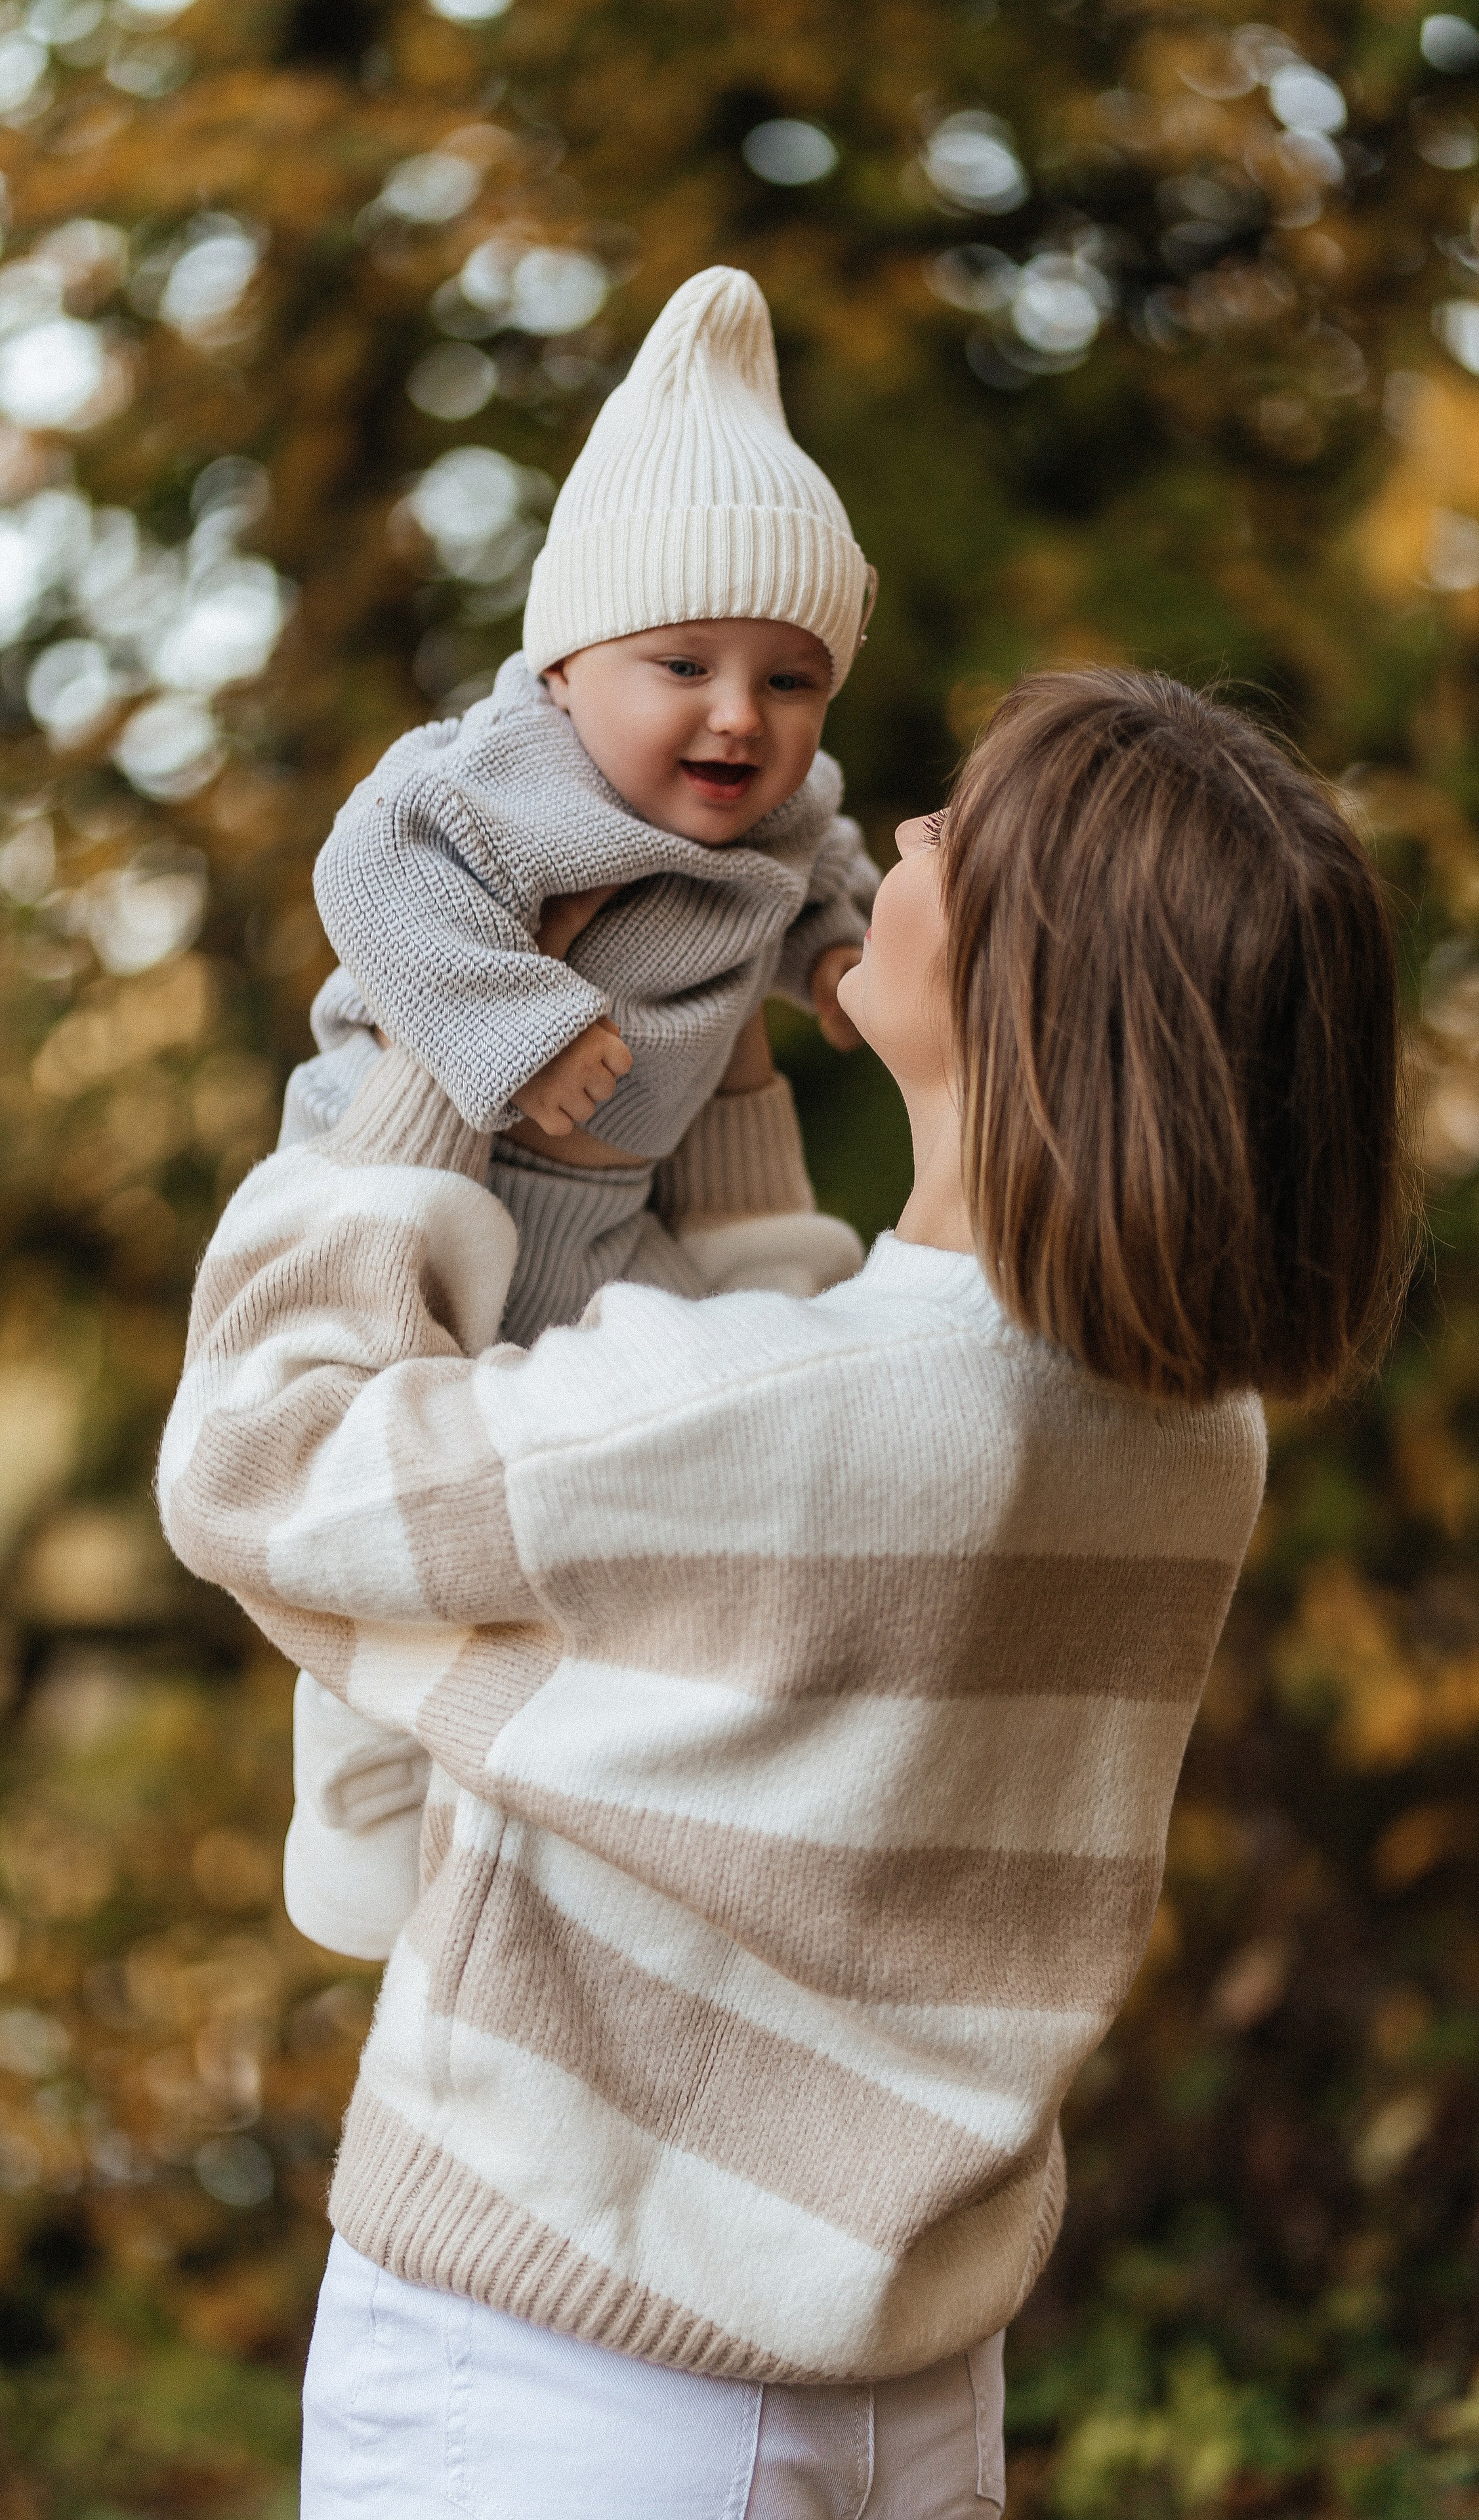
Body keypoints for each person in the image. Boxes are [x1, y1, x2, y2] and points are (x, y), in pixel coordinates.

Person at [157, 667, 1406, 2517]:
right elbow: (814, 1414)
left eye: (955, 832)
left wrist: (444, 1040)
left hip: (562, 2375)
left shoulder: (789, 1426)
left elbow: (261, 1463)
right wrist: (727, 1058)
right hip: (911, 2385)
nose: (897, 830)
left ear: (1029, 990)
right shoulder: (1191, 1438)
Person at [281, 262, 881, 1958]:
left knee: (712, 1443)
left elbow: (820, 864)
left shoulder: (779, 806)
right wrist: (509, 1022)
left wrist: (834, 959)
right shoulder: (496, 785)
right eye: (680, 661)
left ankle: (636, 1781)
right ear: (563, 667)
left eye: (790, 680)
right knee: (377, 1507)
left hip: (613, 1220)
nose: (736, 718)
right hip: (427, 1183)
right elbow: (364, 874)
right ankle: (353, 1794)